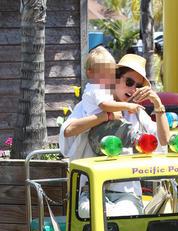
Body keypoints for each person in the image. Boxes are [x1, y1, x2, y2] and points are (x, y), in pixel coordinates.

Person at [60, 53, 170, 216]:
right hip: (91, 189)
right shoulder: (90, 105)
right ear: (115, 79)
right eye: (129, 82)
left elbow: (164, 140)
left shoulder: (136, 113)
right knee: (89, 212)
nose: (133, 89)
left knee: (124, 213)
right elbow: (68, 131)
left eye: (138, 86)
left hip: (127, 192)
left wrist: (158, 104)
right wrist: (105, 116)